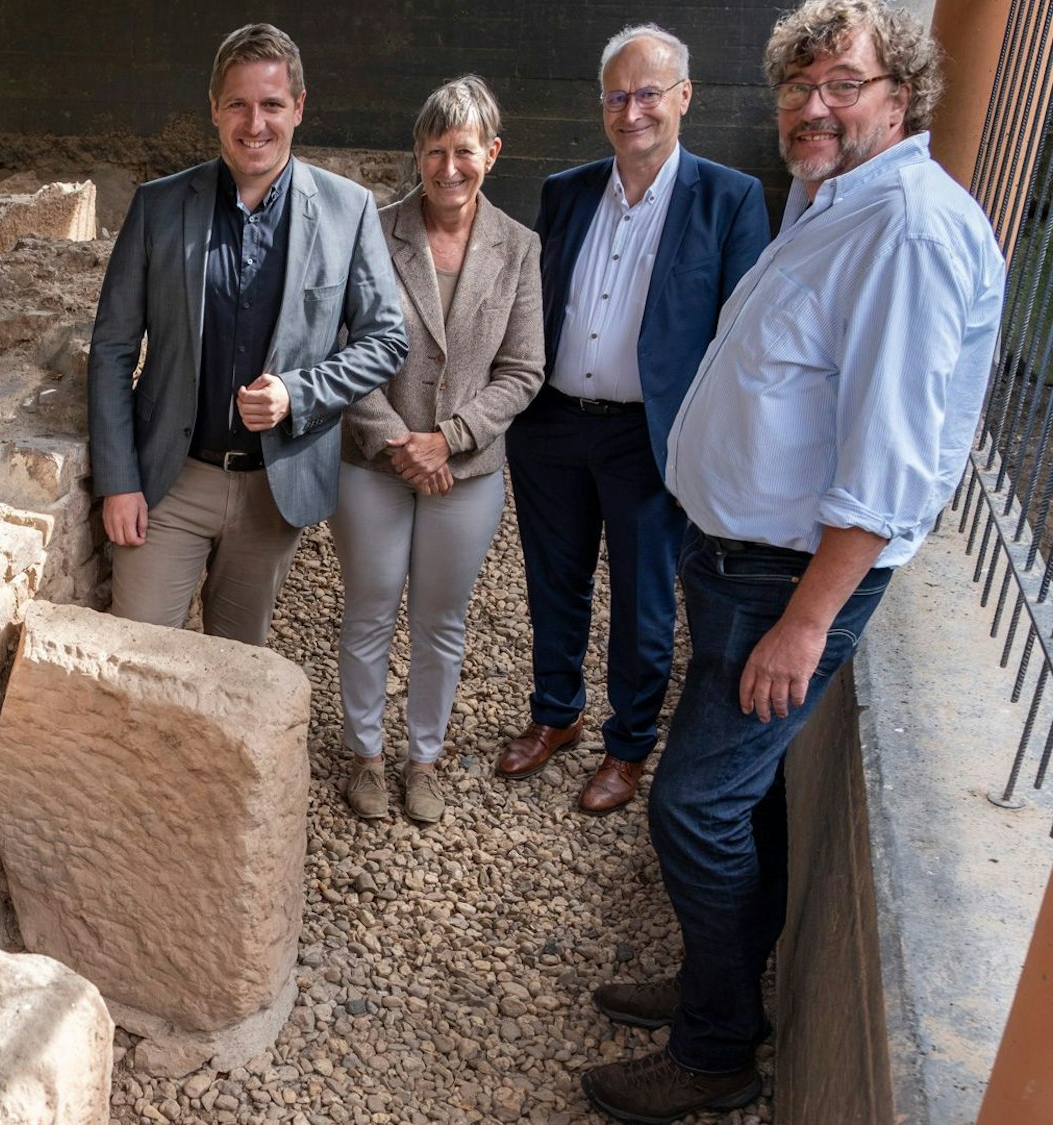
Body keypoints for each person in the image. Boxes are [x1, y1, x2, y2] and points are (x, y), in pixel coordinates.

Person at [581, 1, 1005, 1118]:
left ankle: (715, 1048)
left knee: (692, 807)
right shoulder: (835, 199)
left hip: (789, 577)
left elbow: (886, 458)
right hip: (735, 558)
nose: (813, 105)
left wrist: (807, 621)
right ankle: (712, 983)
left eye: (842, 84)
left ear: (898, 94)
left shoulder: (905, 230)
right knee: (742, 794)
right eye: (798, 83)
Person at [502, 24, 771, 814]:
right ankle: (557, 712)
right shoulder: (567, 190)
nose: (632, 111)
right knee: (554, 580)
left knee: (646, 599)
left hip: (648, 434)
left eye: (648, 93)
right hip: (552, 424)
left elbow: (742, 335)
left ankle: (628, 746)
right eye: (618, 96)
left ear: (684, 97)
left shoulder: (729, 199)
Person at [87, 23, 407, 646]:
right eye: (237, 103)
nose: (254, 122)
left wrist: (300, 392)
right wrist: (118, 480)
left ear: (299, 109)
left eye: (271, 104)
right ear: (214, 109)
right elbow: (112, 350)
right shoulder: (159, 205)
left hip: (273, 489)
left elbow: (386, 339)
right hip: (168, 482)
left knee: (235, 674)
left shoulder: (349, 209)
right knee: (135, 660)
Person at [334, 76, 544, 825]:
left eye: (464, 150)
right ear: (416, 155)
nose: (448, 167)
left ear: (491, 152)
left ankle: (423, 762)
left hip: (468, 468)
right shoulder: (374, 229)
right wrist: (398, 440)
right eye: (434, 151)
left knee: (440, 619)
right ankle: (364, 757)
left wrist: (447, 440)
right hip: (373, 460)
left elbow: (523, 370)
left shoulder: (519, 248)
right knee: (369, 606)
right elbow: (344, 347)